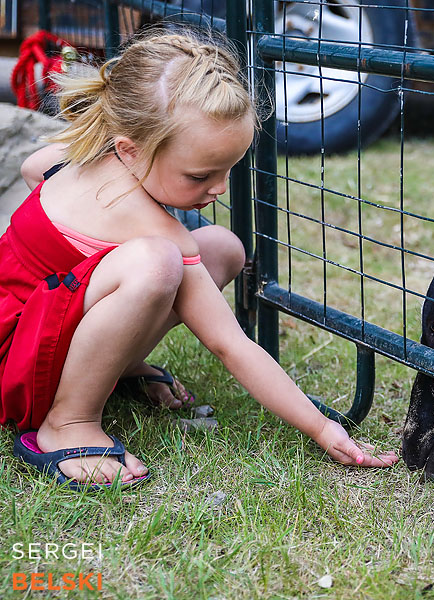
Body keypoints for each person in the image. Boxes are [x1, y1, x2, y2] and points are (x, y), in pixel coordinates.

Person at [0, 24, 399, 490]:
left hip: (28, 318)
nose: (219, 188)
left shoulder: (84, 152)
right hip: (15, 363)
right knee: (155, 264)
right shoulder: (155, 231)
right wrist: (321, 426)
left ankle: (112, 363)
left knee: (222, 249)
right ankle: (67, 423)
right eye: (199, 175)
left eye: (229, 168)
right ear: (131, 150)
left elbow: (33, 170)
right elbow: (231, 345)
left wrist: (69, 259)